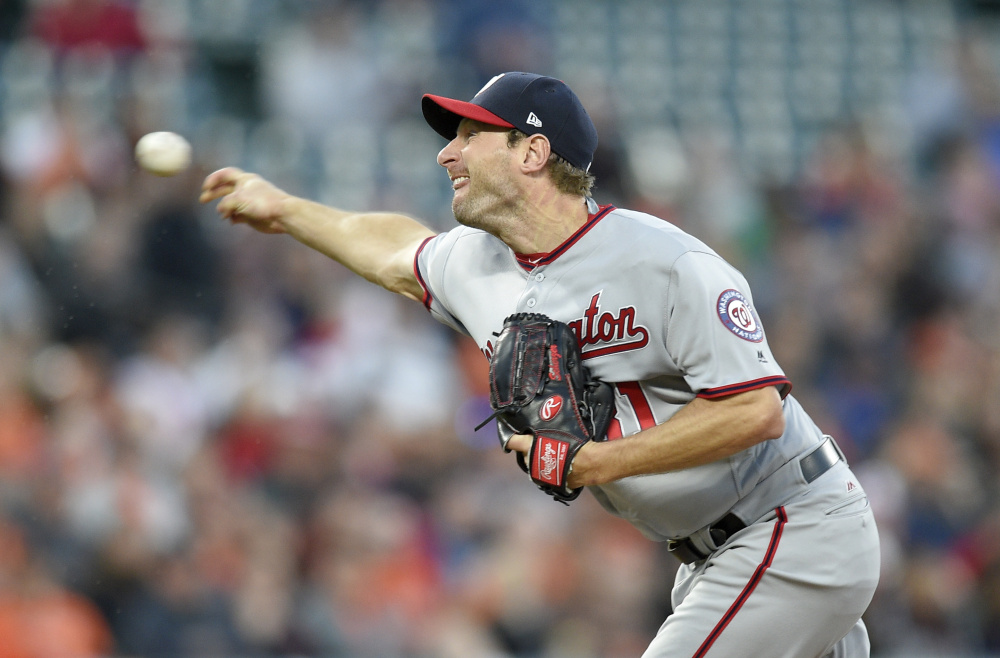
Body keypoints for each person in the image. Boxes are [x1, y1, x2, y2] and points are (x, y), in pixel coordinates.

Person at [200, 71, 881, 657]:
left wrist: (598, 464)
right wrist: (285, 209)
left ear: (532, 152)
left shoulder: (667, 263)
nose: (447, 154)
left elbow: (755, 409)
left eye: (470, 136)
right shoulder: (477, 262)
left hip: (790, 525)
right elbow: (391, 250)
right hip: (715, 557)